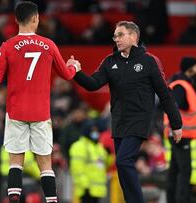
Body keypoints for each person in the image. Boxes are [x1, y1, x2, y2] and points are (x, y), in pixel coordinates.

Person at [73, 21, 182, 203]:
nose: (116, 39)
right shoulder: (110, 61)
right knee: (121, 165)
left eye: (121, 35)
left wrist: (176, 124)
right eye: (115, 36)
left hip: (139, 121)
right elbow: (93, 84)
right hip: (118, 122)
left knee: (123, 161)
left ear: (133, 36)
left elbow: (165, 94)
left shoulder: (148, 61)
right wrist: (76, 72)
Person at [0, 2, 80, 203]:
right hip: (41, 113)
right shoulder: (49, 45)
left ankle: (14, 200)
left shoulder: (7, 46)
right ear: (36, 19)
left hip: (16, 112)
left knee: (15, 162)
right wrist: (74, 67)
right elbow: (66, 75)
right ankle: (52, 201)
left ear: (16, 20)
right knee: (45, 164)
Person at [163, 57, 196, 203]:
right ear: (190, 69)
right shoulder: (181, 86)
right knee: (184, 171)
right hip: (181, 135)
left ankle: (173, 200)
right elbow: (175, 106)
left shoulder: (183, 84)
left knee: (174, 171)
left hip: (179, 134)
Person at [69, 121, 112, 203]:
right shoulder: (79, 146)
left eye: (96, 131)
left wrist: (109, 155)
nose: (95, 133)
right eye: (93, 130)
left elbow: (105, 165)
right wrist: (85, 185)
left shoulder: (98, 147)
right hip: (86, 190)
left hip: (97, 190)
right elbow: (77, 168)